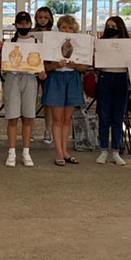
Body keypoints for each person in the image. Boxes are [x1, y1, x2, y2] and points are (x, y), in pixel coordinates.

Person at [0, 11, 47, 168]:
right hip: (12, 78)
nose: (23, 26)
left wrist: (42, 73)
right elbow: (2, 65)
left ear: (30, 25)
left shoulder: (36, 42)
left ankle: (26, 152)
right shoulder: (9, 43)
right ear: (16, 25)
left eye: (26, 23)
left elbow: (41, 64)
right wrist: (0, 51)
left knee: (28, 117)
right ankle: (11, 152)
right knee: (12, 117)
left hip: (30, 79)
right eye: (20, 23)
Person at [43, 15, 86, 166]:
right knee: (57, 119)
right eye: (63, 27)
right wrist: (56, 65)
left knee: (67, 119)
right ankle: (59, 152)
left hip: (73, 79)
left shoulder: (80, 44)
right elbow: (45, 66)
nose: (66, 30)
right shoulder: (52, 43)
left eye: (69, 28)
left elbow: (84, 66)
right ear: (59, 28)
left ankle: (65, 151)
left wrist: (75, 66)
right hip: (56, 79)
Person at [95, 16, 130, 166]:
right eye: (108, 26)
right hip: (105, 76)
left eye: (114, 26)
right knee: (104, 116)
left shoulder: (127, 44)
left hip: (121, 77)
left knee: (118, 117)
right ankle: (103, 150)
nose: (110, 28)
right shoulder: (101, 42)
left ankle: (115, 150)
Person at [34, 6, 55, 145]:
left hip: (49, 68)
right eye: (40, 17)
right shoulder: (31, 33)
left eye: (45, 17)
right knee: (31, 100)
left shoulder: (54, 34)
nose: (43, 20)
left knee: (48, 102)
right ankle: (30, 129)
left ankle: (48, 130)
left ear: (50, 19)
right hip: (33, 68)